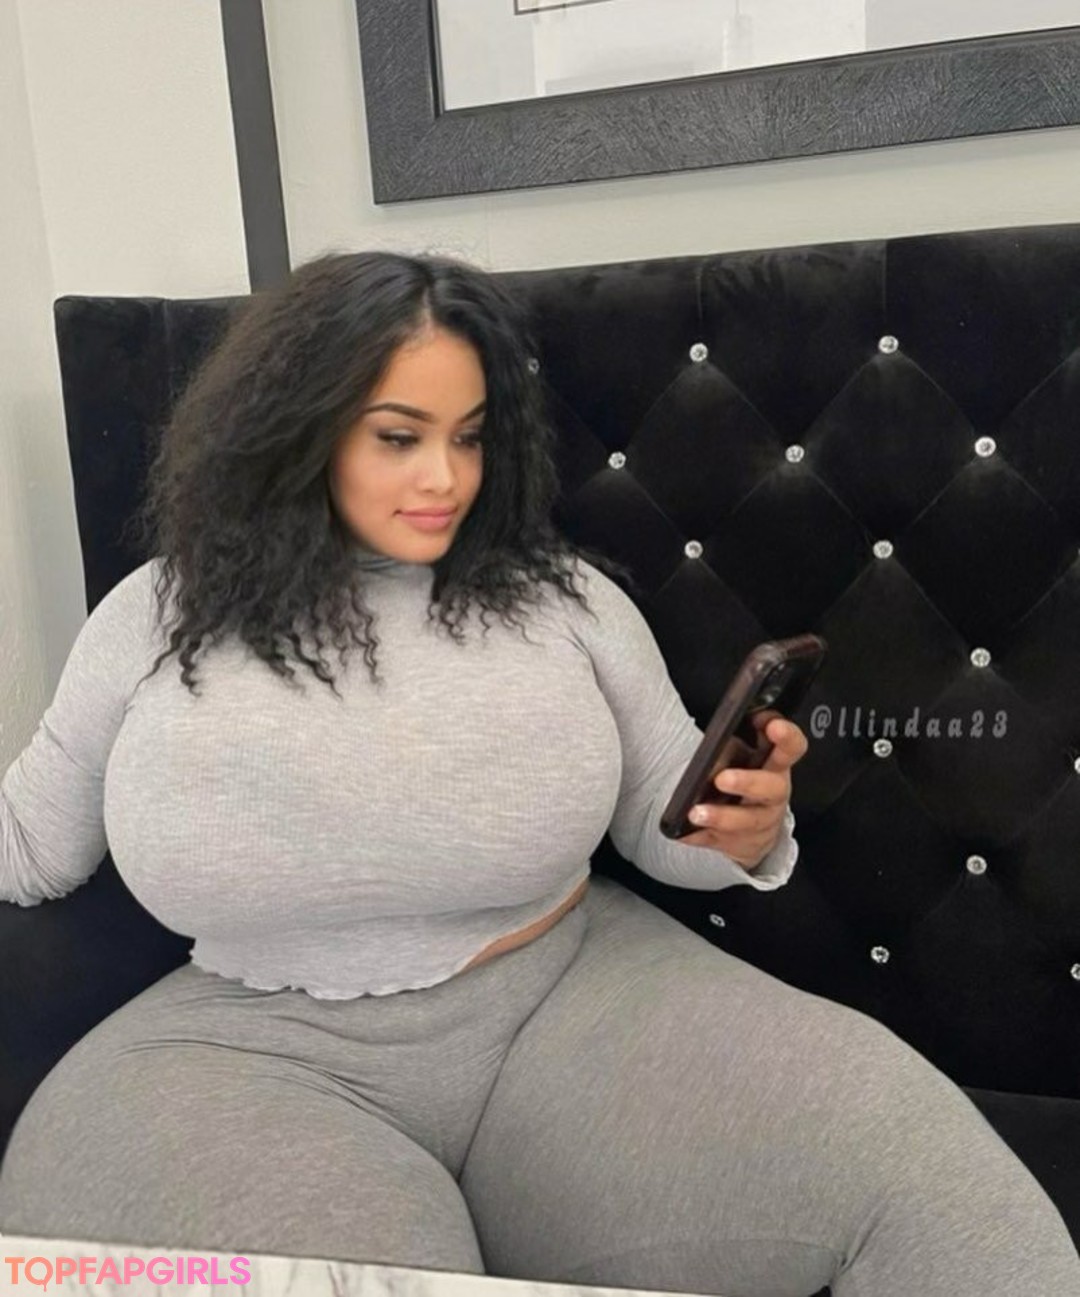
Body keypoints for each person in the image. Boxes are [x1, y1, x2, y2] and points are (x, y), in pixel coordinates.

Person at [0, 252, 1076, 1297]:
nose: (446, 478)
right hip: (244, 1052)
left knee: (948, 1198)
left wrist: (744, 828)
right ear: (293, 429)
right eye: (398, 436)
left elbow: (666, 824)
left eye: (469, 437)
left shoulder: (561, 598)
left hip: (573, 1003)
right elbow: (33, 846)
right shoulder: (158, 613)